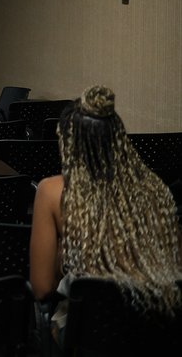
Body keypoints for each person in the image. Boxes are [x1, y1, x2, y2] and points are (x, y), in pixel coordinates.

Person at [30, 85, 182, 347]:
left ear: (68, 143)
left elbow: (42, 288)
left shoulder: (52, 191)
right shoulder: (155, 189)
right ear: (119, 140)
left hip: (90, 336)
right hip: (159, 332)